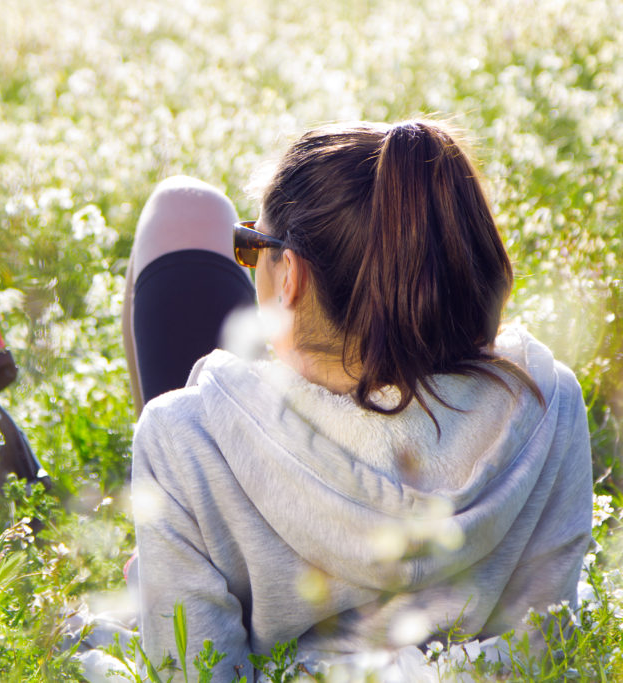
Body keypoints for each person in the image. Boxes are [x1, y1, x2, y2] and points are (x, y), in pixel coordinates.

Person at [123, 120, 593, 680]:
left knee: (182, 208)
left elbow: (192, 670)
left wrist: (162, 580)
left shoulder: (185, 435)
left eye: (251, 248)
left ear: (290, 276)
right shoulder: (548, 400)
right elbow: (543, 643)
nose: (247, 262)